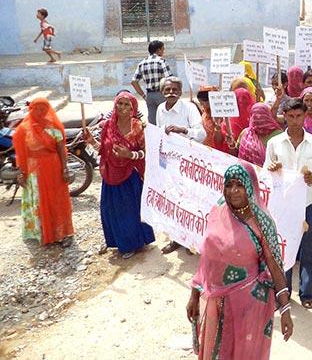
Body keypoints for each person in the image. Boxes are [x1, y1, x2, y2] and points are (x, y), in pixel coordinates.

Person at [186, 164, 293, 359]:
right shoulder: (218, 211)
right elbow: (207, 258)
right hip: (215, 300)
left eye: (239, 185)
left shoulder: (262, 222)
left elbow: (275, 266)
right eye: (229, 185)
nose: (233, 191)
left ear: (250, 187)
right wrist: (194, 295)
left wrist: (285, 309)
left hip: (248, 305)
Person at [265, 98, 312, 309]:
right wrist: (272, 167)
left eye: (298, 116)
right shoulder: (275, 143)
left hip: (309, 202)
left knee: (309, 249)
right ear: (284, 115)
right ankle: (283, 293)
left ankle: (307, 291)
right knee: (283, 248)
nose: (294, 120)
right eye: (290, 116)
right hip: (283, 205)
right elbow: (266, 170)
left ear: (305, 116)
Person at [84, 92, 155, 258]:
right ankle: (119, 242)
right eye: (120, 104)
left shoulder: (138, 127)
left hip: (130, 176)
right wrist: (90, 141)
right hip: (110, 174)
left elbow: (146, 152)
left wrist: (129, 155)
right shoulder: (108, 125)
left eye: (126, 104)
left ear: (133, 107)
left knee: (129, 211)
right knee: (111, 211)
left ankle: (134, 244)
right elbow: (102, 149)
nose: (123, 107)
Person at [13, 98, 74, 246]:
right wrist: (21, 173)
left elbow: (61, 151)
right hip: (33, 171)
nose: (40, 112)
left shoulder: (54, 128)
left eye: (43, 109)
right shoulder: (23, 129)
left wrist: (65, 169)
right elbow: (21, 154)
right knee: (37, 200)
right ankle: (40, 232)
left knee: (57, 200)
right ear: (31, 110)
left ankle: (62, 233)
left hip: (53, 169)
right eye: (37, 109)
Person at [156, 76, 206, 254]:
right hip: (170, 163)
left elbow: (202, 134)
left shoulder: (189, 108)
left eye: (174, 90)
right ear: (162, 92)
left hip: (189, 163)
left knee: (191, 203)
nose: (171, 93)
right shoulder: (161, 109)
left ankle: (192, 240)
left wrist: (182, 130)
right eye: (167, 90)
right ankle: (176, 238)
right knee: (174, 201)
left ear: (180, 91)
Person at [131, 40, 172, 125]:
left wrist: (143, 95)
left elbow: (134, 81)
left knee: (153, 121)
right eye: (163, 49)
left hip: (149, 95)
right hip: (161, 94)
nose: (163, 51)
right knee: (166, 119)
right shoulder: (161, 61)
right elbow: (169, 79)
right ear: (158, 50)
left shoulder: (142, 63)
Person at [196, 87, 231, 153]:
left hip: (215, 150)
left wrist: (217, 125)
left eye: (202, 103)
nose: (201, 105)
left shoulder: (219, 116)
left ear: (209, 101)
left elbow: (219, 139)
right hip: (205, 148)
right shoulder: (206, 112)